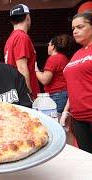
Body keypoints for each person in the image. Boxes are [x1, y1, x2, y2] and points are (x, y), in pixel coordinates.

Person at [61, 12, 92, 153]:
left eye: (80, 27)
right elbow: (74, 85)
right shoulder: (77, 54)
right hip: (78, 119)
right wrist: (66, 111)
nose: (75, 31)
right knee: (87, 161)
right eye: (73, 28)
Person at [4, 4, 40, 99]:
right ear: (28, 17)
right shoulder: (21, 37)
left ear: (12, 21)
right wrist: (27, 94)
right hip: (24, 92)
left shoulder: (10, 39)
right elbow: (22, 68)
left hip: (15, 89)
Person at [35, 34, 75, 113]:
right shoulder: (64, 58)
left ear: (53, 46)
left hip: (57, 95)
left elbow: (44, 80)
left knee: (56, 120)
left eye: (48, 45)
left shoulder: (54, 58)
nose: (48, 47)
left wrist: (35, 69)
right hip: (64, 94)